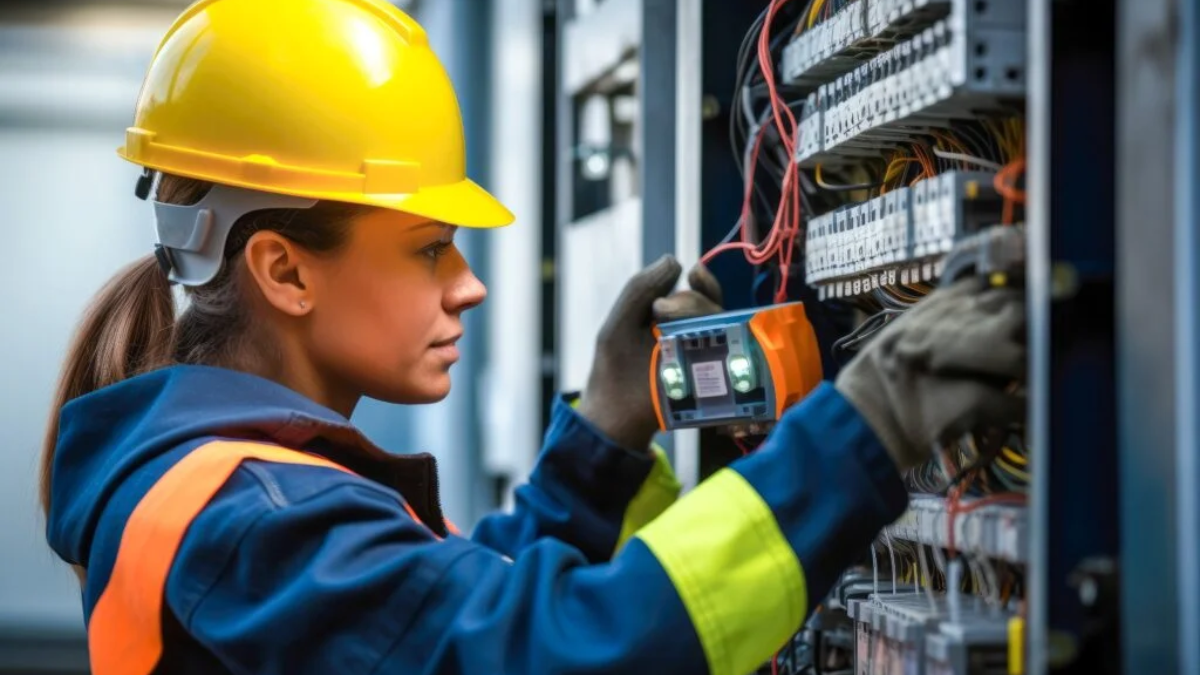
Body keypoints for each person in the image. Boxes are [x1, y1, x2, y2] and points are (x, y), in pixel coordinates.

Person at [40, 2, 1027, 674]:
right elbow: (560, 650)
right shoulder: (252, 522)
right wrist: (865, 426)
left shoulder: (235, 494)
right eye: (430, 249)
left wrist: (605, 438)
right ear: (284, 270)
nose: (467, 287)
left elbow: (454, 615)